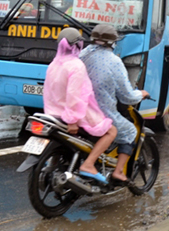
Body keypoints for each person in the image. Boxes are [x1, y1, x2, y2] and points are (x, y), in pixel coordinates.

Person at [43, 27, 117, 185]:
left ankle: (55, 162)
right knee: (111, 131)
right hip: (71, 114)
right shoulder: (76, 65)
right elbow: (74, 95)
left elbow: (48, 93)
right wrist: (72, 119)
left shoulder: (53, 64)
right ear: (78, 45)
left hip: (52, 113)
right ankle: (89, 164)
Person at [80, 24, 149, 184]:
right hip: (100, 111)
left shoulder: (83, 54)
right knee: (130, 131)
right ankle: (118, 171)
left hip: (77, 108)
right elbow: (127, 97)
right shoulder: (114, 62)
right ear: (113, 42)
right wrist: (141, 94)